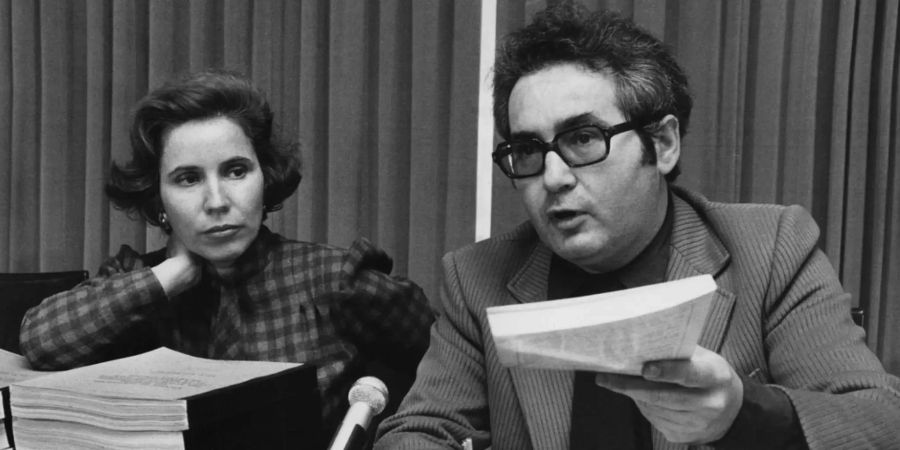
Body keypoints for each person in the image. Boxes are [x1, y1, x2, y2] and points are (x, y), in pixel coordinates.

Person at [376, 3, 900, 449]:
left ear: (663, 144)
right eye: (529, 150)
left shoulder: (770, 249)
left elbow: (880, 421)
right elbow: (419, 429)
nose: (553, 177)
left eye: (582, 138)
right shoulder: (477, 276)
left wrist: (744, 413)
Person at [19, 70, 434, 434]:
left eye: (236, 171)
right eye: (187, 179)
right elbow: (42, 342)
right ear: (158, 197)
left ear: (264, 177)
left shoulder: (337, 278)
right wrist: (170, 274)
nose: (216, 201)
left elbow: (438, 356)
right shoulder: (135, 280)